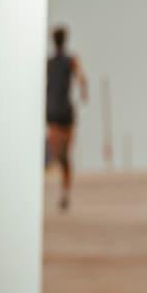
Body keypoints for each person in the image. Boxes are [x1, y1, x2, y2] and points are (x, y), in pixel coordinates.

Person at [46, 25, 89, 211]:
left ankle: (64, 192)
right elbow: (82, 78)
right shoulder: (70, 60)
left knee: (60, 155)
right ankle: (65, 192)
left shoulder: (50, 62)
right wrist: (83, 92)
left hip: (55, 111)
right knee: (64, 156)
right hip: (64, 110)